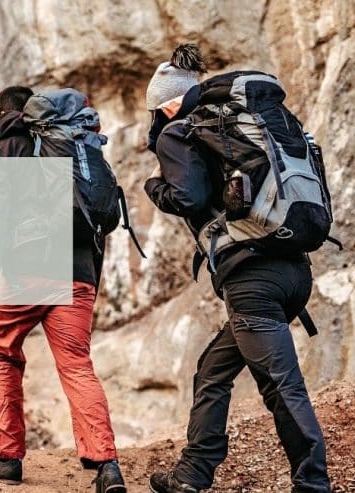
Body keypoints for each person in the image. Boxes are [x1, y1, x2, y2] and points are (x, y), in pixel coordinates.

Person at [142, 44, 332, 493]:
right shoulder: (247, 123)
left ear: (166, 104)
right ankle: (192, 474)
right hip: (293, 270)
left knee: (282, 386)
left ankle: (314, 484)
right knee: (213, 369)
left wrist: (154, 187)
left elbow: (186, 197)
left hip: (253, 278)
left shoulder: (181, 131)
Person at [0, 87, 126, 492]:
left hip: (24, 271)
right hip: (77, 274)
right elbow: (95, 219)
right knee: (76, 364)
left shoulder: (7, 146)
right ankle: (106, 463)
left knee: (3, 354)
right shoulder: (75, 145)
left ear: (4, 111)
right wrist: (90, 277)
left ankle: (7, 458)